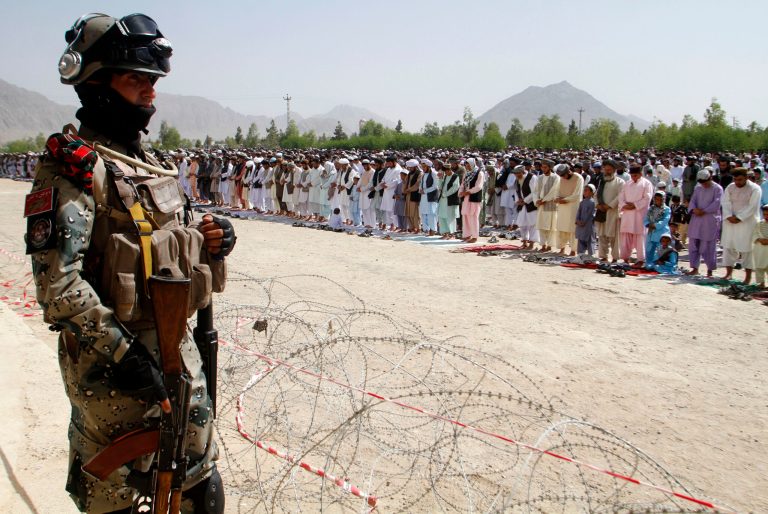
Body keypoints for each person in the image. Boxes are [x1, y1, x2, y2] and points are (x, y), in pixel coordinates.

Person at [30, 13, 234, 513]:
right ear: (96, 84)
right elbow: (59, 286)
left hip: (177, 362)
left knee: (202, 497)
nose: (150, 94)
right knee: (115, 504)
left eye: (153, 82)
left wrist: (215, 237)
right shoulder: (74, 171)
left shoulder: (150, 164)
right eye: (135, 80)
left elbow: (172, 241)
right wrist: (128, 358)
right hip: (112, 377)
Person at [720, 167, 762, 283]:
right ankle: (728, 274)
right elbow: (725, 202)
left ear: (746, 178)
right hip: (730, 221)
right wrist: (729, 215)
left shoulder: (755, 189)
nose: (737, 182)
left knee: (747, 249)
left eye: (740, 180)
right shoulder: (730, 187)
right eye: (735, 180)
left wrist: (739, 217)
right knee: (729, 247)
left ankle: (747, 277)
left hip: (747, 222)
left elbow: (752, 206)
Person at [686, 168, 723, 277]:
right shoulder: (698, 188)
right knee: (693, 244)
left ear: (710, 178)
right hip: (697, 218)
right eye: (701, 182)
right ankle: (694, 268)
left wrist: (704, 211)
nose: (703, 184)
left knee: (708, 246)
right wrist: (693, 209)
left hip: (709, 219)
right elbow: (693, 200)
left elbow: (717, 203)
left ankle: (710, 269)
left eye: (705, 182)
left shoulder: (718, 188)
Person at [618, 165, 654, 265]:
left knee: (640, 236)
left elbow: (647, 198)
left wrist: (635, 205)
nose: (633, 177)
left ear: (640, 174)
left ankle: (640, 259)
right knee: (626, 235)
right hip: (627, 214)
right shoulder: (627, 184)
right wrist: (625, 206)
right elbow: (621, 197)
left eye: (635, 175)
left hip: (639, 214)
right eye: (632, 175)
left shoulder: (646, 184)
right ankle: (625, 257)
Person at [595, 160, 624, 262]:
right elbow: (596, 194)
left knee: (613, 237)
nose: (607, 171)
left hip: (613, 212)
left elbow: (620, 196)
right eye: (605, 169)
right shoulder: (601, 181)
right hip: (601, 211)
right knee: (602, 235)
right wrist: (597, 205)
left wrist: (609, 205)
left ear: (614, 170)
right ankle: (603, 256)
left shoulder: (620, 182)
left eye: (609, 170)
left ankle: (615, 257)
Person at [554, 163, 584, 255]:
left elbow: (577, 194)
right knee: (561, 228)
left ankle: (573, 250)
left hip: (573, 207)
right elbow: (557, 190)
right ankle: (562, 248)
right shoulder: (561, 179)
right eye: (561, 175)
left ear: (569, 171)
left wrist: (565, 200)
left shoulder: (578, 178)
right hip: (562, 207)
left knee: (573, 229)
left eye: (563, 175)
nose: (562, 177)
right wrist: (557, 198)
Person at [534, 159, 560, 251]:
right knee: (541, 226)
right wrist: (537, 200)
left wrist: (544, 200)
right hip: (541, 205)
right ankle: (543, 245)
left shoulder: (556, 178)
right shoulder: (539, 177)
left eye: (545, 167)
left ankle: (549, 245)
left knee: (550, 227)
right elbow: (535, 191)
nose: (543, 169)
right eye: (542, 167)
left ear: (550, 167)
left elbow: (554, 191)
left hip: (550, 204)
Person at [458, 157, 484, 243]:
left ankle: (475, 236)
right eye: (466, 165)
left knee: (473, 217)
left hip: (474, 198)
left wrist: (468, 192)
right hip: (466, 198)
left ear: (472, 164)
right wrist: (461, 192)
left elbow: (479, 186)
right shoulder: (467, 174)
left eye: (468, 165)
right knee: (465, 216)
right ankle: (467, 235)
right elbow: (462, 184)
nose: (467, 166)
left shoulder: (479, 173)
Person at [643, 192, 671, 264]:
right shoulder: (651, 208)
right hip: (651, 231)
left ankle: (659, 264)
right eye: (656, 199)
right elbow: (646, 218)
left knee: (661, 249)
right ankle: (649, 264)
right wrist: (648, 224)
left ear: (663, 200)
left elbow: (665, 220)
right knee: (649, 249)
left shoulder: (667, 209)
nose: (658, 201)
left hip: (661, 232)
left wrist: (655, 225)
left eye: (660, 199)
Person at [514, 165, 538, 249]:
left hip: (531, 205)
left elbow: (534, 192)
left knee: (533, 224)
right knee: (522, 224)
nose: (516, 175)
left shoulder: (532, 177)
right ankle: (524, 242)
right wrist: (518, 200)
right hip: (522, 205)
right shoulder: (517, 179)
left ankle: (531, 243)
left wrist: (525, 200)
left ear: (523, 172)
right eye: (515, 173)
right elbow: (516, 191)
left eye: (518, 173)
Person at [438, 163, 460, 238]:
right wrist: (440, 179)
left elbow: (455, 188)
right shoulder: (445, 176)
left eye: (447, 171)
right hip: (443, 200)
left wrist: (446, 194)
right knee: (442, 216)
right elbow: (440, 187)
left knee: (450, 217)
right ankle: (445, 233)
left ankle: (452, 233)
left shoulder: (455, 176)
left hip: (450, 200)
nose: (446, 172)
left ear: (450, 169)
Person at [575, 184, 596, 256]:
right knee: (581, 239)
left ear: (592, 192)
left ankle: (591, 256)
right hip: (581, 225)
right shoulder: (582, 202)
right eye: (584, 190)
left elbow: (592, 214)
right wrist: (577, 220)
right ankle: (580, 255)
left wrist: (584, 222)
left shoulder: (593, 203)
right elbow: (578, 212)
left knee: (590, 240)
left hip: (589, 225)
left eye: (586, 190)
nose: (584, 192)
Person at [752, 205, 768, 288]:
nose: (766, 216)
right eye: (765, 214)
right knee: (759, 266)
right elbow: (754, 234)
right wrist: (759, 239)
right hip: (759, 249)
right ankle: (761, 283)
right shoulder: (759, 223)